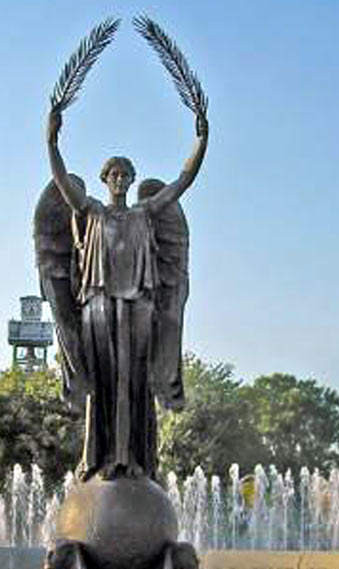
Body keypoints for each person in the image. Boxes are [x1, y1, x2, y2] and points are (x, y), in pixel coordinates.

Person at [44, 108, 208, 480]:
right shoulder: (93, 210)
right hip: (98, 305)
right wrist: (52, 140)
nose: (120, 180)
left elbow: (183, 182)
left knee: (135, 382)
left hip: (138, 304)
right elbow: (61, 182)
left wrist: (201, 141)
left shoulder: (144, 213)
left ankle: (135, 460)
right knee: (102, 383)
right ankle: (97, 459)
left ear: (132, 180)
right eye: (114, 174)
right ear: (106, 180)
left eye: (125, 175)